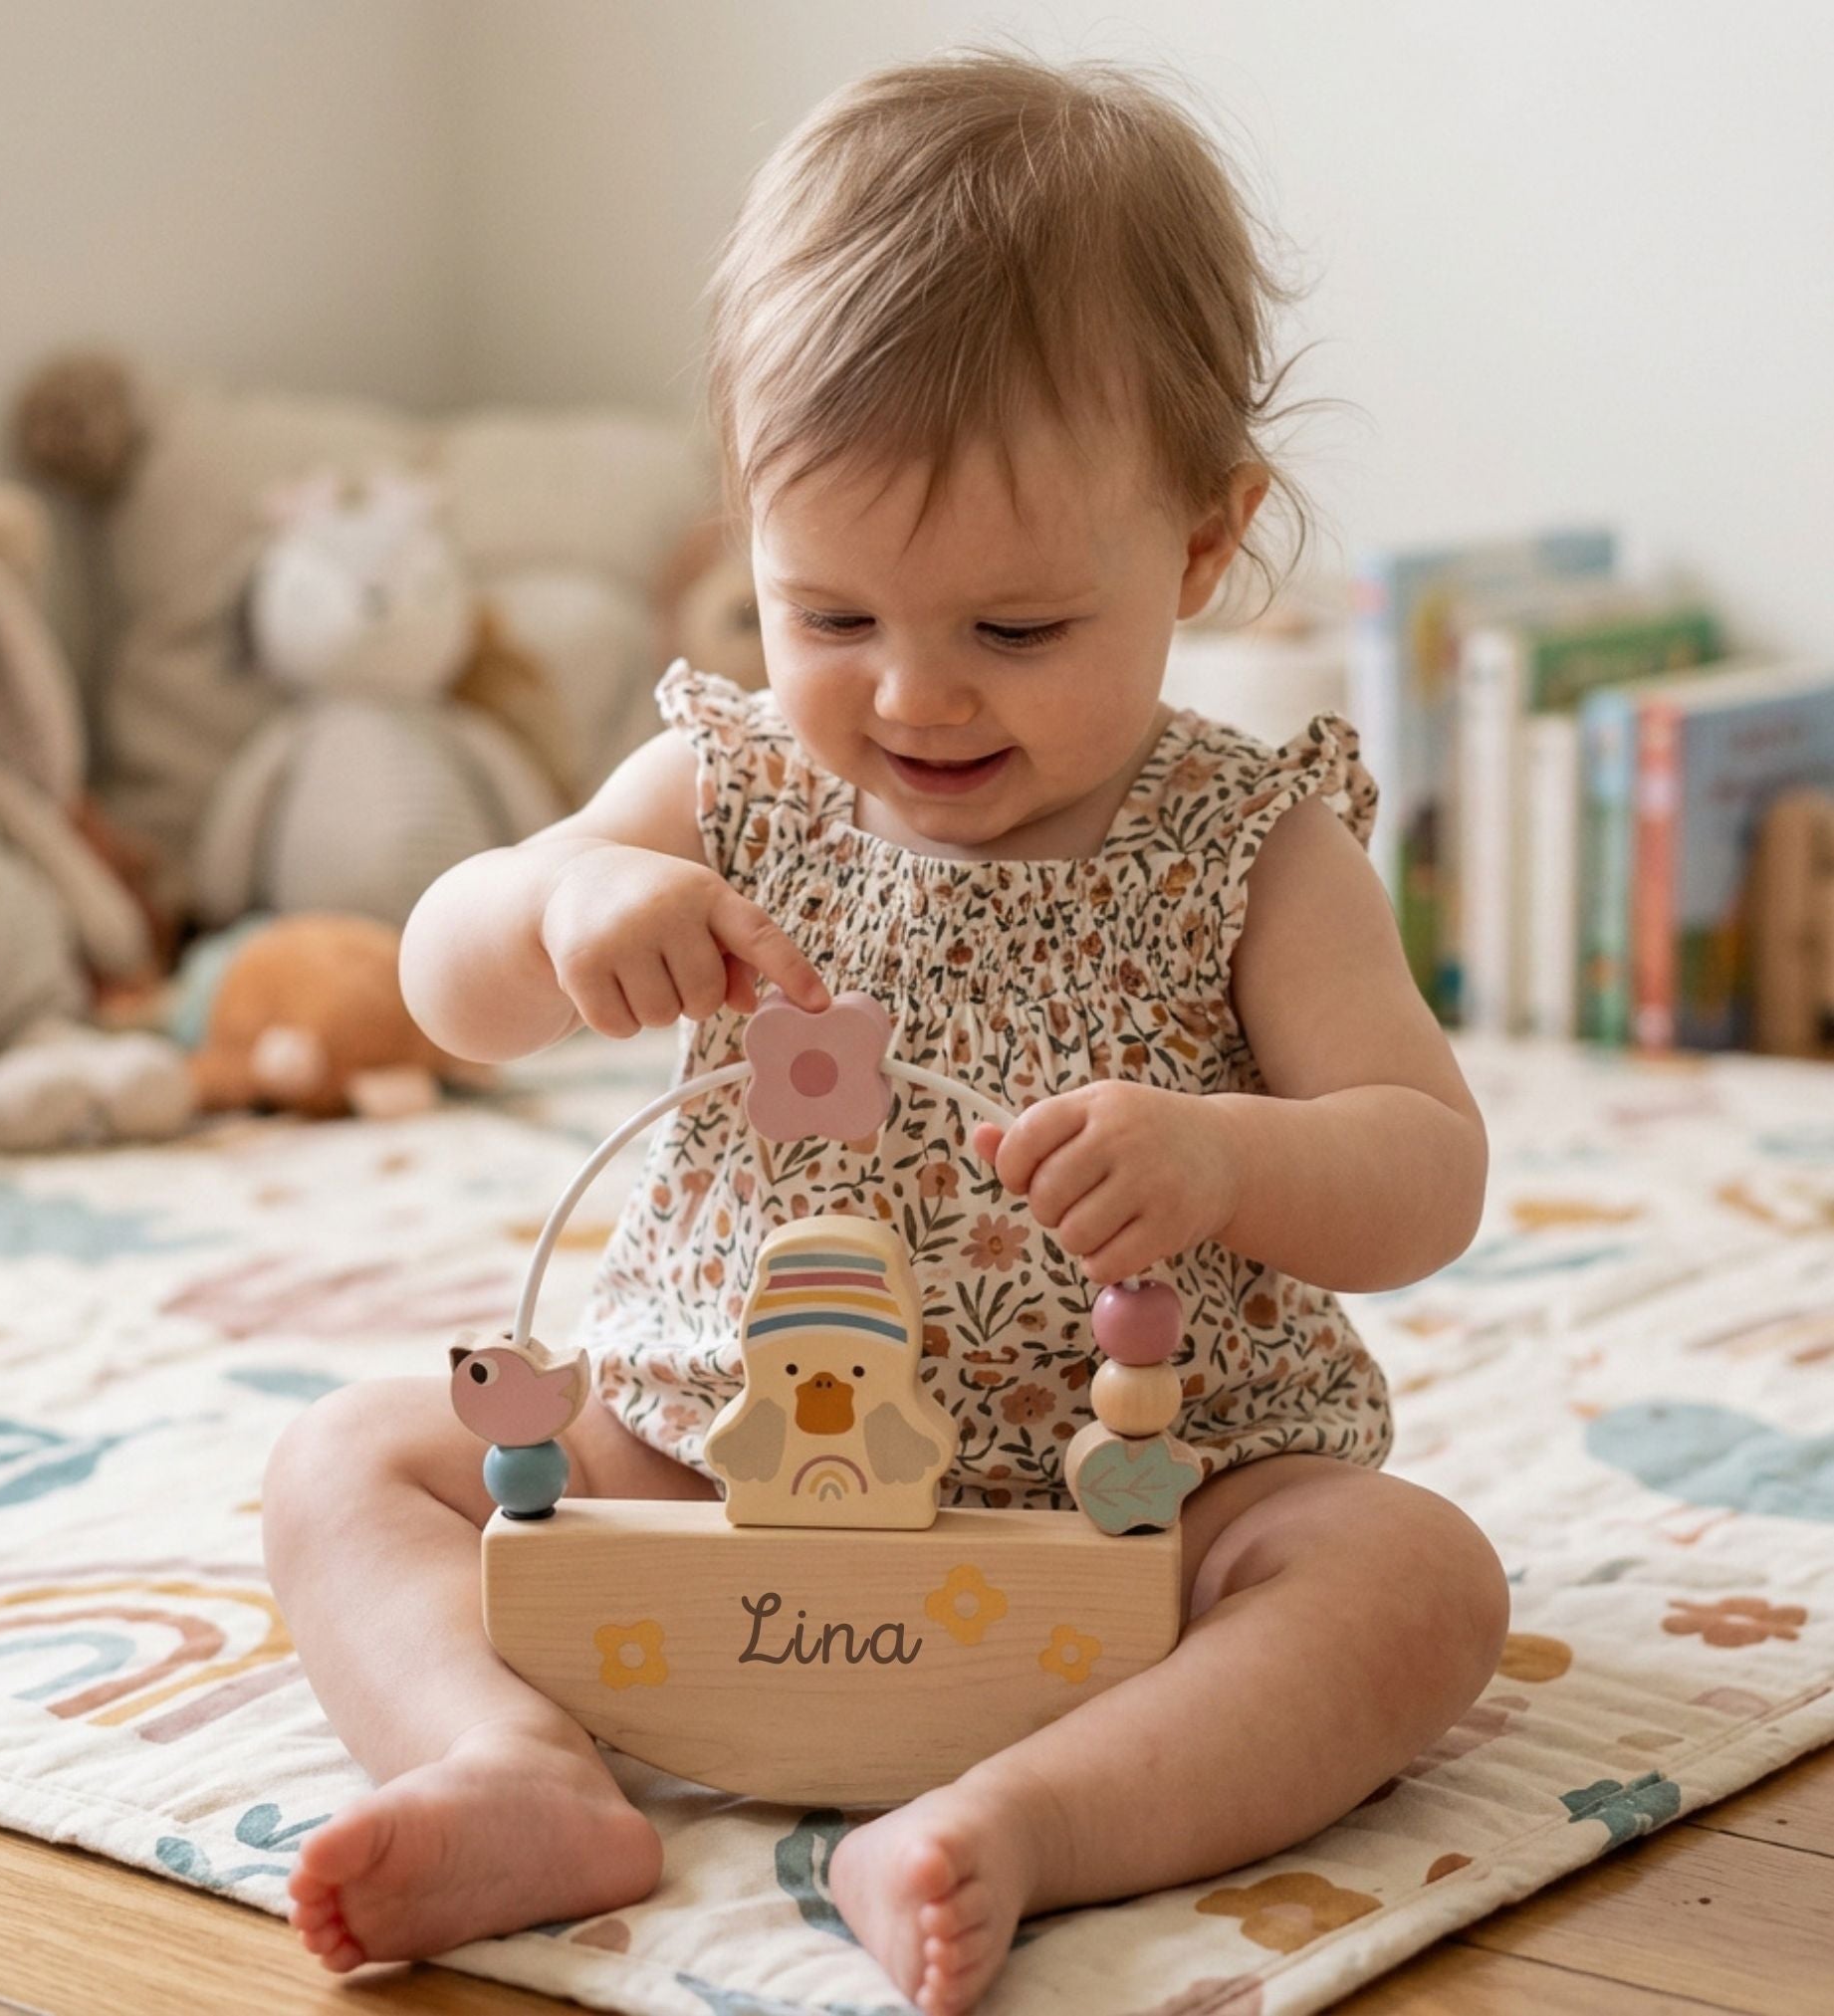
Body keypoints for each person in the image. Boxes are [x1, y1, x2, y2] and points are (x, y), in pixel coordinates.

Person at [265, 47, 1508, 2015]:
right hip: (712, 1459)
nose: (910, 695)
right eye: (828, 615)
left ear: (1195, 545)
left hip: (1143, 1499)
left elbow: (1423, 1167)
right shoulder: (731, 784)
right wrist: (555, 902)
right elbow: (441, 975)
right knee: (348, 1460)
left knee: (1414, 1579)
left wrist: (1222, 1155)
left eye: (1011, 628)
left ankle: (1018, 1817)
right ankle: (508, 1763)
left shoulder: (1247, 846)